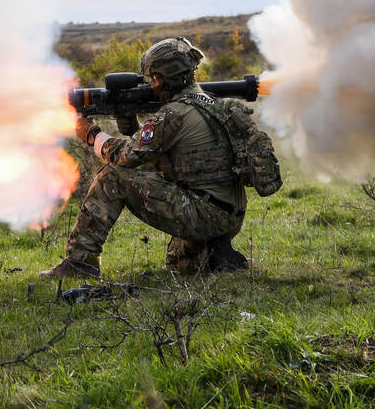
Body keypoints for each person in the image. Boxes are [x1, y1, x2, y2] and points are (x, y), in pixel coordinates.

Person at [40, 36, 249, 278]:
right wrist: (131, 126)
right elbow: (158, 155)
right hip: (229, 213)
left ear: (163, 78)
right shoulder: (212, 103)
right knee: (180, 264)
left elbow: (125, 158)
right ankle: (216, 254)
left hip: (204, 213)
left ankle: (80, 263)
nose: (150, 85)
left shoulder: (172, 114)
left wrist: (92, 135)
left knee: (113, 176)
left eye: (152, 78)